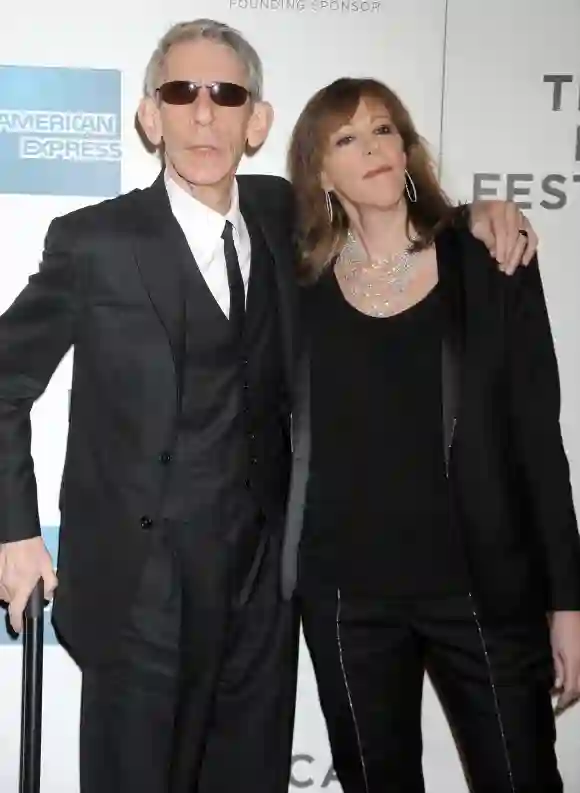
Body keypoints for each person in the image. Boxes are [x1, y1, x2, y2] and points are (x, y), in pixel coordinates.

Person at [0, 19, 535, 793]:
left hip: (264, 591)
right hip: (139, 591)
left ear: (258, 121)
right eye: (182, 93)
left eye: (228, 94)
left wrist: (483, 212)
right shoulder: (94, 241)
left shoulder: (282, 215)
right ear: (152, 115)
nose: (205, 114)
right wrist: (16, 531)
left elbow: (389, 217)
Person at [283, 76, 580, 793]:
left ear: (408, 146)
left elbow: (539, 438)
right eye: (346, 138)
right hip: (348, 599)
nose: (373, 149)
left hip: (482, 590)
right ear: (321, 171)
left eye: (384, 129)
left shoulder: (490, 260)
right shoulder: (300, 286)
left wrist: (567, 602)